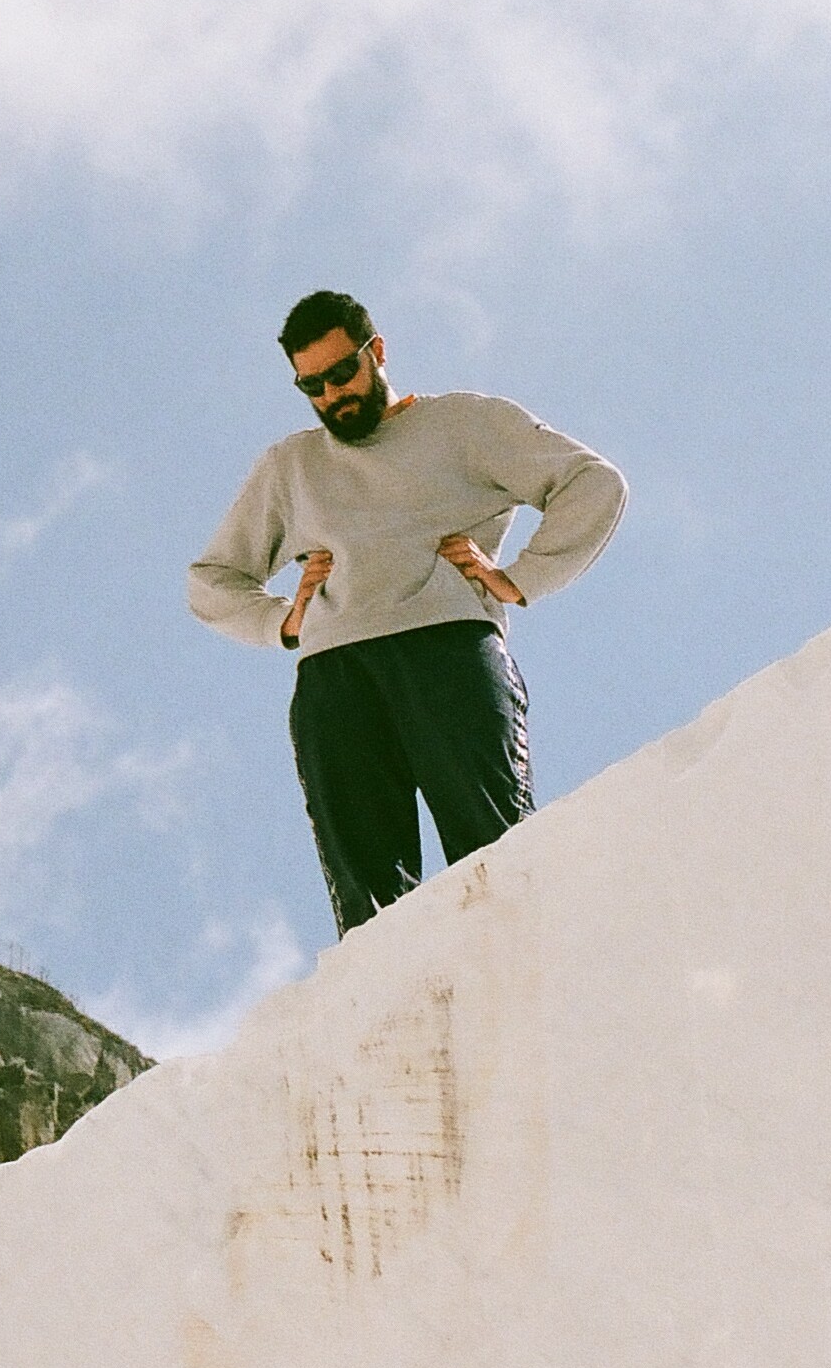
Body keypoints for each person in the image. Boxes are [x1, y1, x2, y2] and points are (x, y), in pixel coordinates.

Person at [188, 291, 626, 934]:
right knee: (368, 909)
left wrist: (522, 578)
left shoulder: (465, 424)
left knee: (498, 859)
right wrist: (282, 621)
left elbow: (593, 484)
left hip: (447, 651)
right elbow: (212, 581)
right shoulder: (291, 466)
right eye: (313, 385)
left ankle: (535, 1005)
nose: (333, 395)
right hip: (333, 677)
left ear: (378, 352)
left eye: (343, 373)